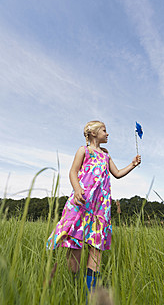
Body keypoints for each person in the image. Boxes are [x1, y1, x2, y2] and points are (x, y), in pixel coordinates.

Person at [46, 120, 141, 291]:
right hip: (82, 202)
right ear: (93, 133)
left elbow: (117, 174)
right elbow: (73, 172)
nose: (107, 133)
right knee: (75, 246)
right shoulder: (84, 150)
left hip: (100, 207)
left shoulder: (106, 155)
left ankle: (90, 292)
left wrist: (133, 164)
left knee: (96, 247)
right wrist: (77, 189)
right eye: (104, 130)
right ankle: (73, 287)